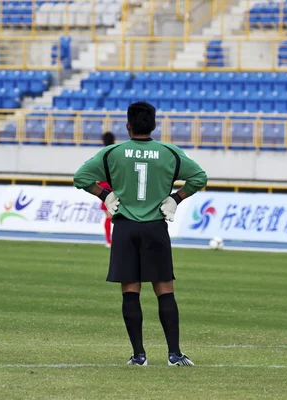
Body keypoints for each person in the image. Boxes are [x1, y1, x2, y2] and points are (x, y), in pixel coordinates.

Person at [74, 102, 208, 366]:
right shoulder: (169, 152)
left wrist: (105, 194)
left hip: (125, 227)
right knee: (165, 290)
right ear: (154, 125)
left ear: (128, 125)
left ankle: (139, 356)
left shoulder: (112, 152)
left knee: (130, 292)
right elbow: (199, 177)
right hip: (155, 227)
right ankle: (174, 355)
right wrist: (176, 199)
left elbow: (80, 177)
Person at [100, 131, 116, 248]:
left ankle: (108, 240)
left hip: (103, 187)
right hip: (116, 186)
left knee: (108, 215)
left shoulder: (101, 155)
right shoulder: (116, 153)